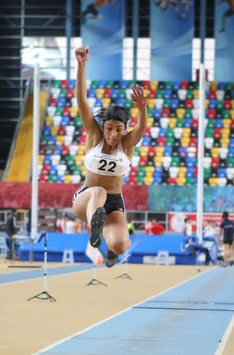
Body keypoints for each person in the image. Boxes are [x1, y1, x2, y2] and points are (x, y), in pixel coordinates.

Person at [71, 45, 148, 268]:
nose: (113, 135)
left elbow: (141, 129)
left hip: (114, 202)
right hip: (87, 198)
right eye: (109, 128)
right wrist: (81, 65)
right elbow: (82, 100)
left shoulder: (127, 144)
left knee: (121, 244)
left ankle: (111, 250)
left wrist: (142, 107)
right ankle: (95, 227)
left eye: (119, 129)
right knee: (99, 190)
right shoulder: (94, 135)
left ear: (125, 129)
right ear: (102, 126)